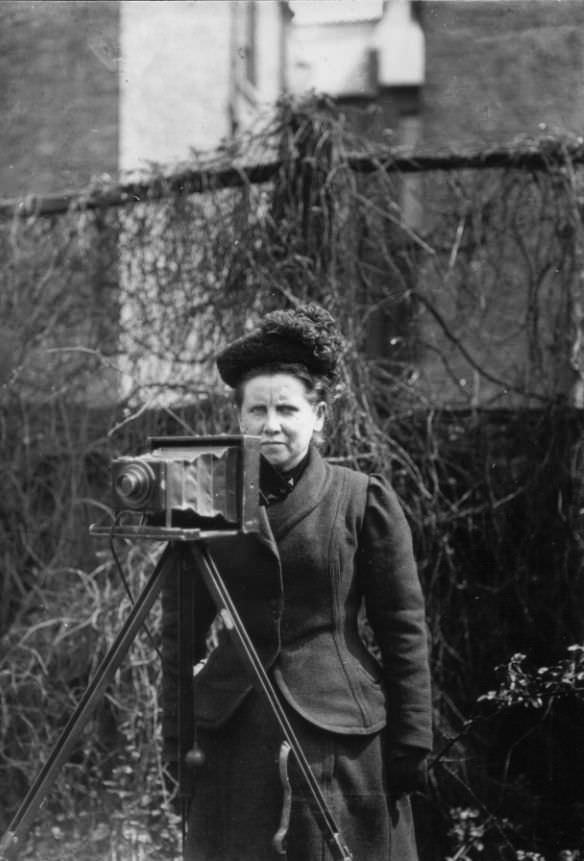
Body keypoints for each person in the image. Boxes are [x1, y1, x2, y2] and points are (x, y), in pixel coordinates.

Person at [160, 303, 433, 861]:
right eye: (256, 409)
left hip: (343, 741)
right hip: (231, 738)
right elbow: (178, 635)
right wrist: (175, 738)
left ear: (320, 415)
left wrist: (412, 742)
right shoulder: (205, 499)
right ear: (239, 418)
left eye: (287, 408)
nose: (271, 424)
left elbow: (403, 629)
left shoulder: (362, 500)